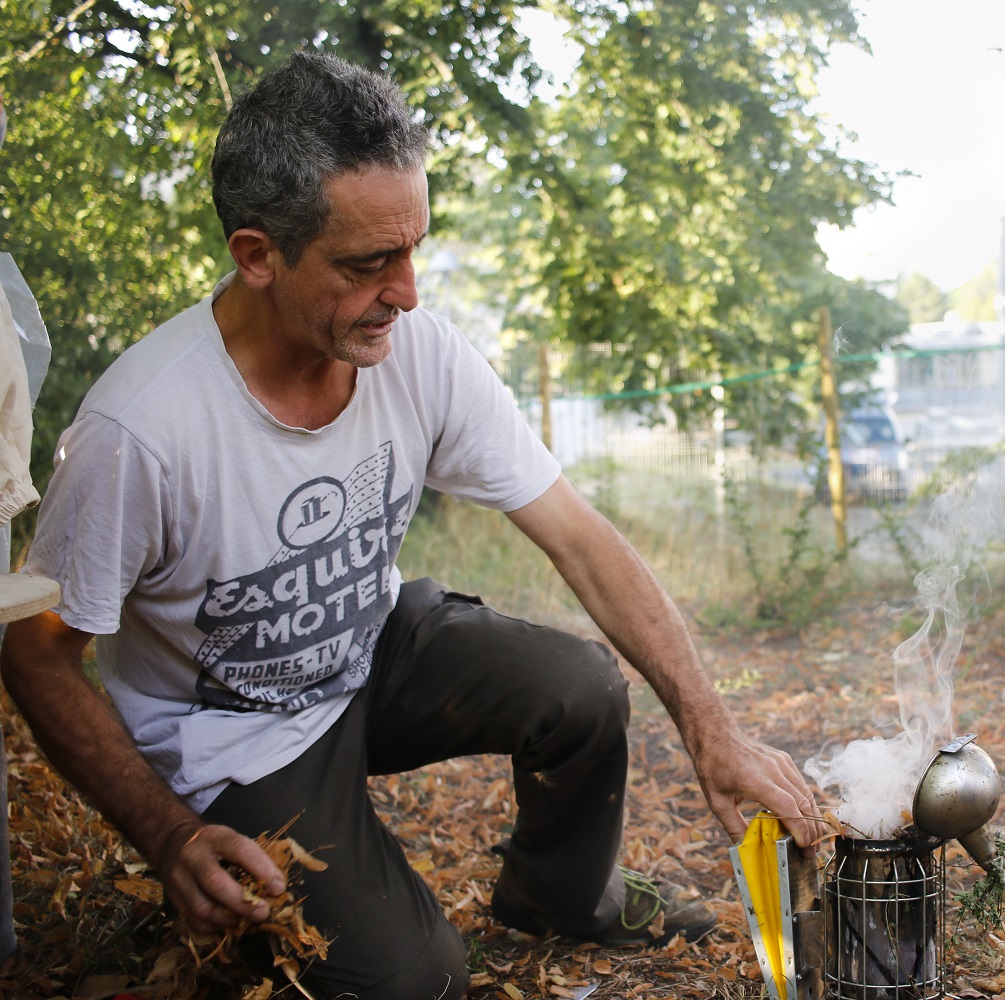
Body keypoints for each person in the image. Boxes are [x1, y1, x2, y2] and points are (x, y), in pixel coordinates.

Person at [0, 51, 820, 999]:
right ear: (258, 255)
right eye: (367, 263)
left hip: (370, 652)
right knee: (410, 982)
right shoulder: (139, 430)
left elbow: (578, 538)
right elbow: (36, 653)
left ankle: (562, 898)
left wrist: (710, 727)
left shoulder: (415, 350)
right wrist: (169, 835)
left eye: (414, 248)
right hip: (236, 733)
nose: (409, 292)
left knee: (581, 687)